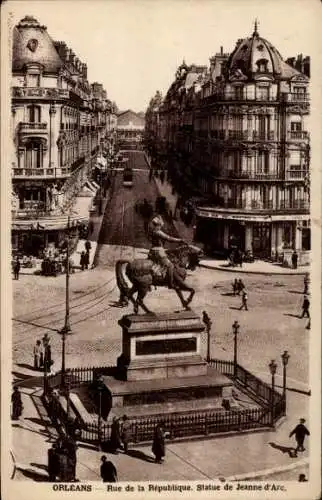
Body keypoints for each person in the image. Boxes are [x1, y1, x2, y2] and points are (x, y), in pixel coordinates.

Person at [148, 215, 184, 289]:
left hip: (153, 250)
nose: (161, 226)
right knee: (170, 265)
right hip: (158, 251)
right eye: (160, 225)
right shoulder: (158, 232)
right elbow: (169, 238)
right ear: (158, 225)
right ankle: (170, 284)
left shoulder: (152, 231)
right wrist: (180, 240)